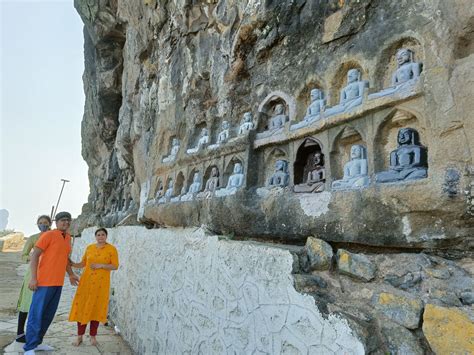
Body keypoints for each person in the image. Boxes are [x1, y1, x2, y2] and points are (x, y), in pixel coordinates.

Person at [24, 211, 79, 355]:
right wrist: (34, 278)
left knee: (48, 315)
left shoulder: (67, 238)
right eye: (63, 220)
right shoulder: (48, 235)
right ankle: (29, 347)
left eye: (68, 220)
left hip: (58, 282)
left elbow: (65, 258)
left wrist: (71, 274)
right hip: (43, 282)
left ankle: (38, 343)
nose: (66, 223)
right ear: (56, 222)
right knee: (36, 314)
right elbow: (35, 255)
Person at [69, 228, 119, 346]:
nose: (100, 237)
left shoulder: (111, 249)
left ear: (106, 236)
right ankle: (79, 336)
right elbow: (83, 263)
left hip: (101, 285)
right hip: (86, 283)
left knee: (96, 309)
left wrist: (101, 265)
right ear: (95, 236)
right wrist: (72, 263)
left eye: (102, 234)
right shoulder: (90, 248)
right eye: (98, 235)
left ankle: (93, 337)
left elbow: (115, 266)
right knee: (82, 307)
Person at [15, 215, 52, 343]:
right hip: (32, 274)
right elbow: (24, 255)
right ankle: (20, 333)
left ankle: (35, 334)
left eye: (45, 222)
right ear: (37, 224)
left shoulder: (53, 237)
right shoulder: (33, 238)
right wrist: (34, 258)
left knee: (41, 305)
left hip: (47, 275)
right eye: (40, 223)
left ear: (50, 223)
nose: (43, 224)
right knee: (26, 303)